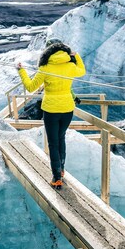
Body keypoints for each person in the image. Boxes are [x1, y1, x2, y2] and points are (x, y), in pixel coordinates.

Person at [16, 38, 86, 189]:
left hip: (51, 110)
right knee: (61, 139)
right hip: (67, 109)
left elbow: (30, 87)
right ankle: (61, 171)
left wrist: (21, 71)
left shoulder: (45, 68)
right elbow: (82, 70)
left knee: (53, 143)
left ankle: (56, 177)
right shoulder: (70, 66)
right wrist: (76, 55)